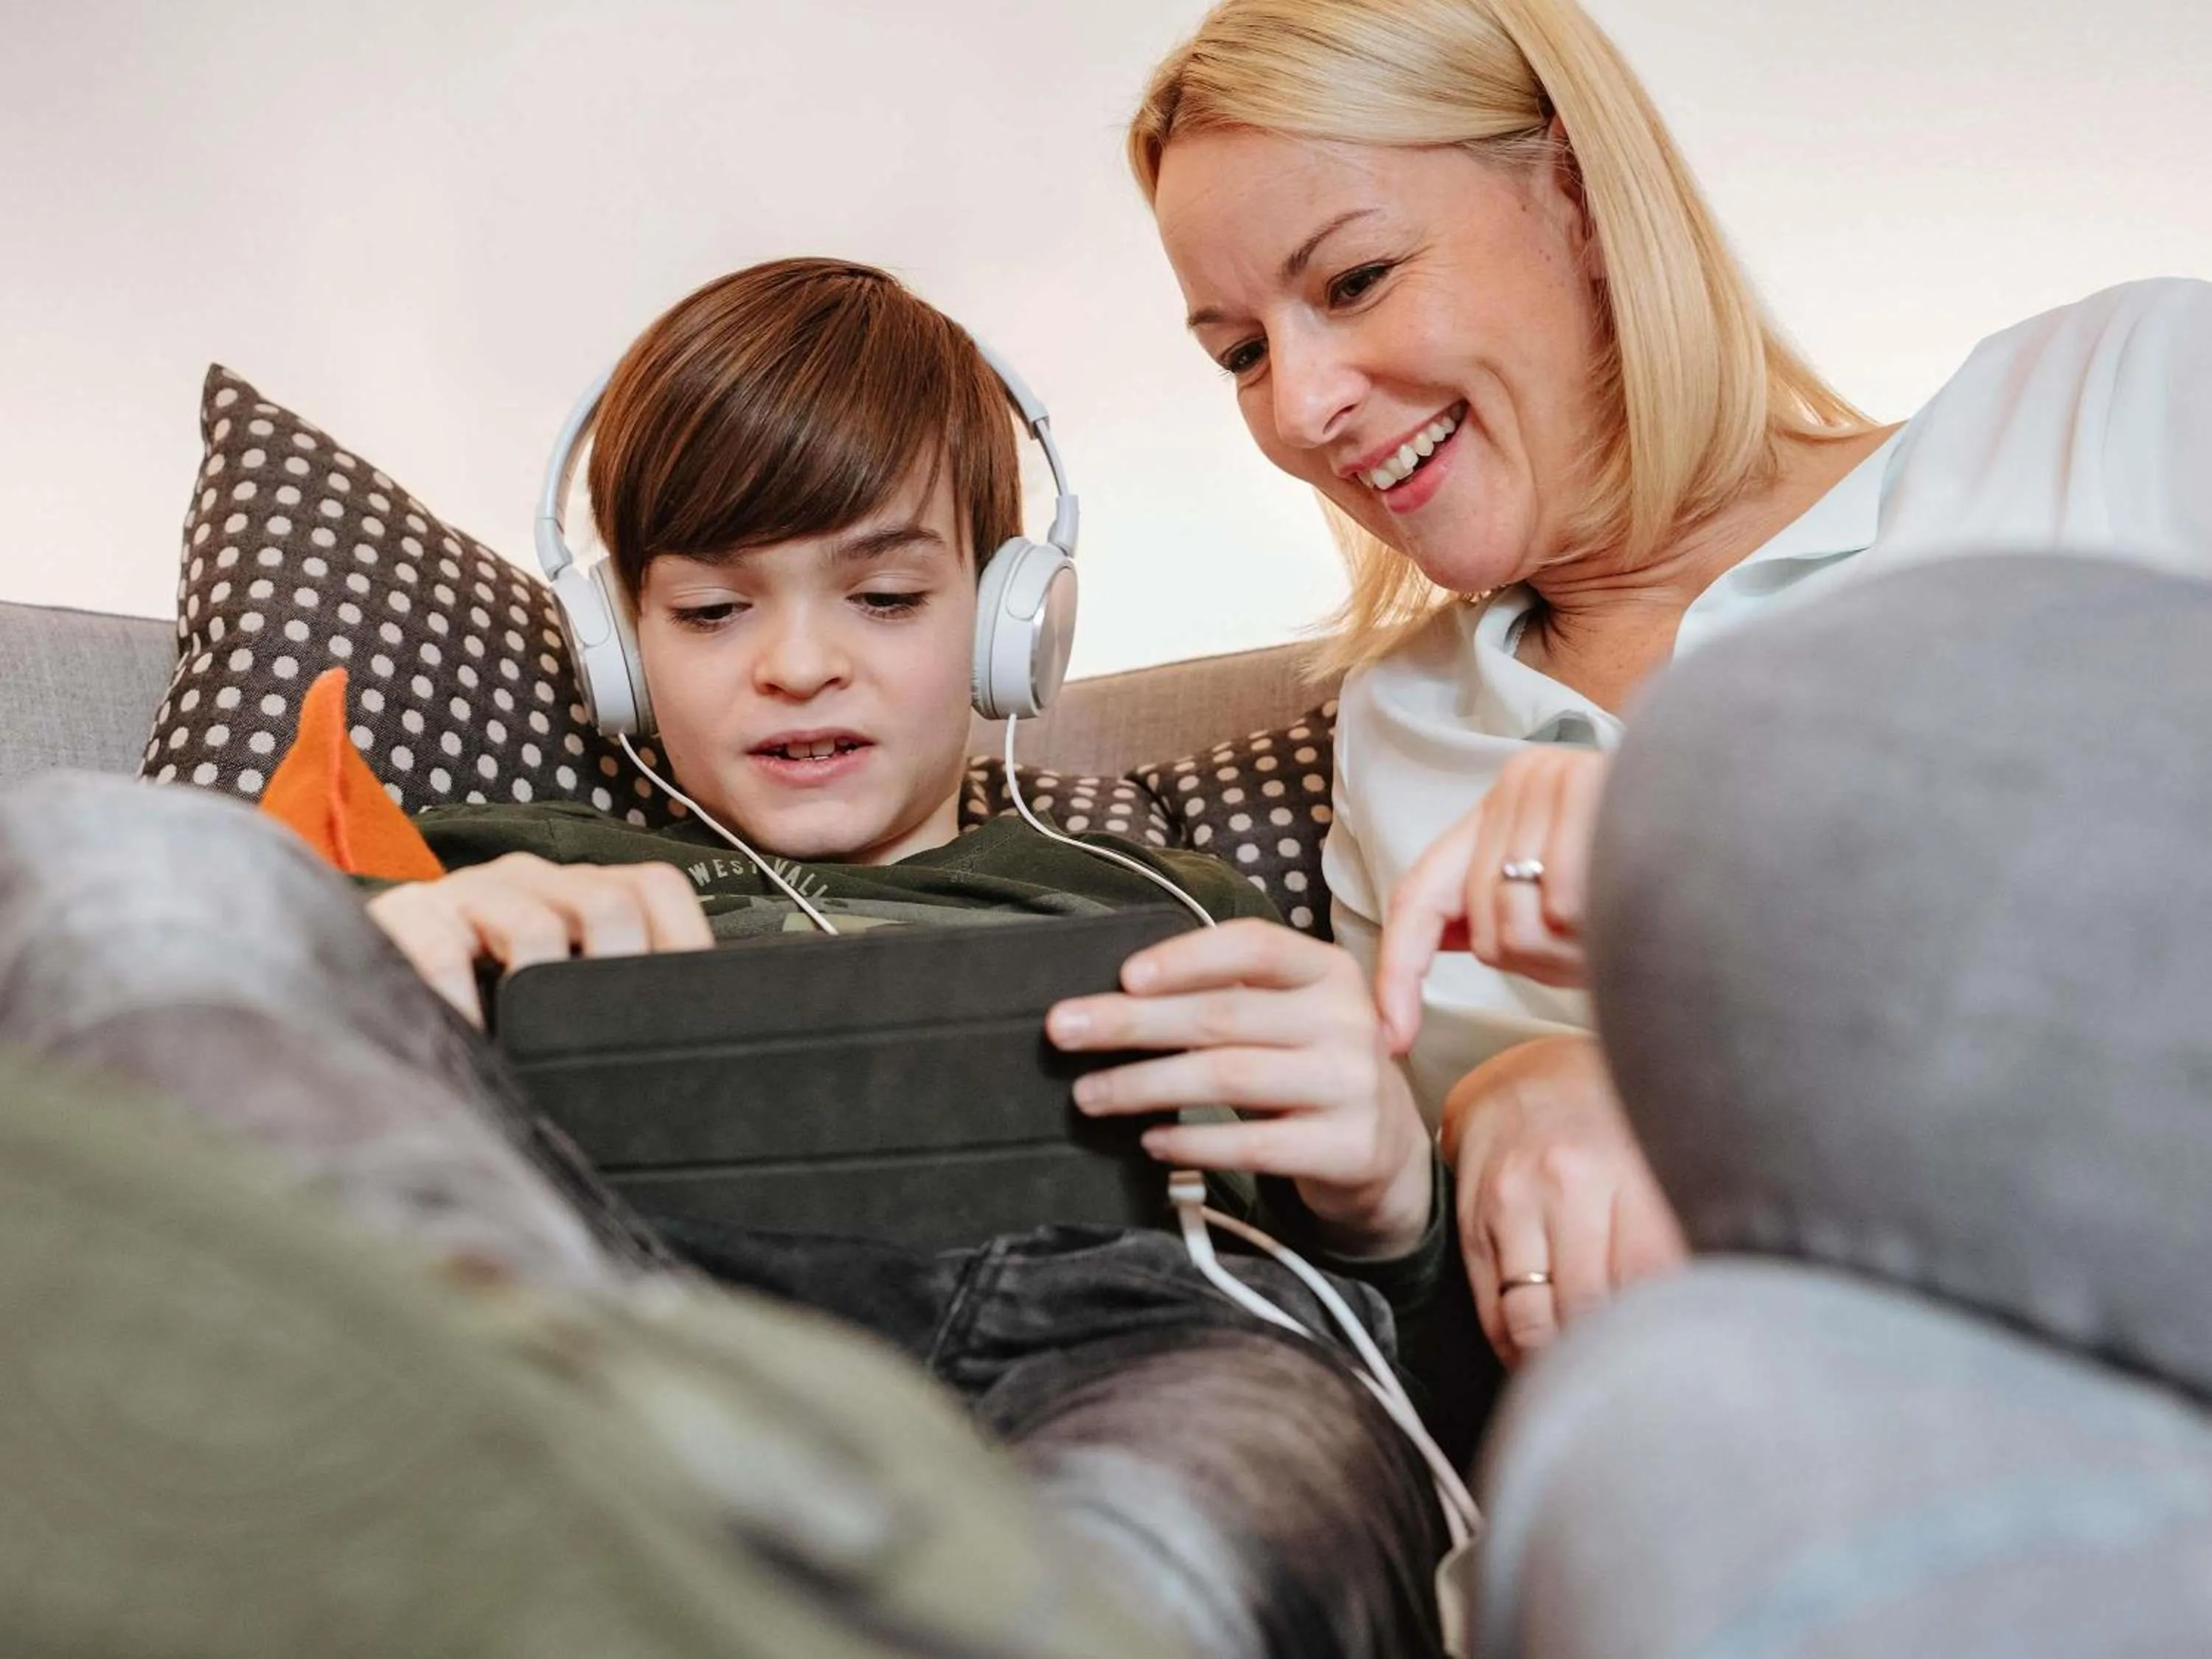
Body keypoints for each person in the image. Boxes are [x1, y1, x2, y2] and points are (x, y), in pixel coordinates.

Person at [0, 257, 1463, 1658]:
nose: (799, 664)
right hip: (605, 1316)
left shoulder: (1166, 896)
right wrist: (368, 965)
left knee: (1198, 1517)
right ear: (618, 647)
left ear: (1012, 621)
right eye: (711, 609)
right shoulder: (498, 867)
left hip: (1116, 1340)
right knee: (114, 854)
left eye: (884, 598)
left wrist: (1392, 1209)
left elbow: (1419, 1373)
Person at [1124, 0, 2212, 1368]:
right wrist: (1484, 1111)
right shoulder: (1402, 733)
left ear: (1577, 197)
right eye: (1242, 353)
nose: (1299, 407)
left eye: (1354, 280)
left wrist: (1704, 935)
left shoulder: (2117, 405)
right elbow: (1436, 1305)